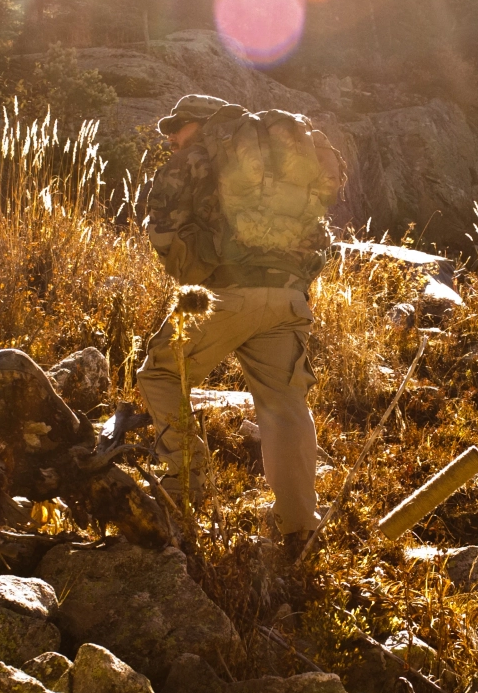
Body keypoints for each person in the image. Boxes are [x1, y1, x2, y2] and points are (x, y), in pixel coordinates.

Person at [136, 94, 345, 548]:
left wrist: (191, 269)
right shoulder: (283, 159)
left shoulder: (194, 159)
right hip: (289, 297)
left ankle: (186, 485)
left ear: (206, 124)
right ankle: (298, 525)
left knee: (160, 373)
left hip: (227, 294)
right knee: (285, 405)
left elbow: (163, 230)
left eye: (180, 126)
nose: (172, 137)